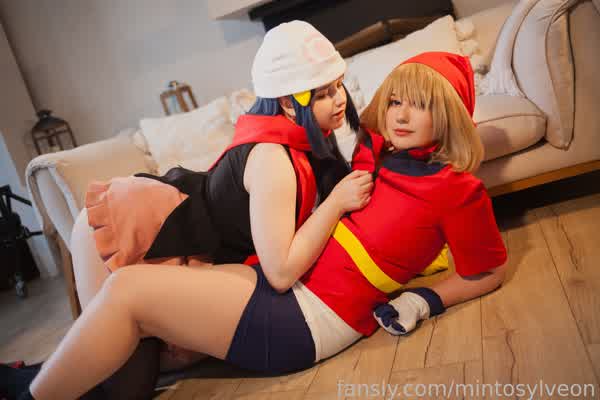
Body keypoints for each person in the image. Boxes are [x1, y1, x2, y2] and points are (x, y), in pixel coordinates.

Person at [19, 51, 508, 400]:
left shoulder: (458, 190)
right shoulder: (375, 150)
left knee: (126, 292)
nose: (401, 115)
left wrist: (422, 300)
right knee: (130, 310)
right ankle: (37, 380)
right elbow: (309, 122)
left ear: (448, 114)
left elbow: (487, 272)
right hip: (278, 281)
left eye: (421, 104)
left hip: (312, 317)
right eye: (396, 100)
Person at [1, 20, 372, 400]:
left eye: (339, 85)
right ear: (288, 103)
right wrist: (336, 203)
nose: (339, 100)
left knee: (119, 374)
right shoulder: (272, 158)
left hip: (176, 228)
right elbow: (279, 272)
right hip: (135, 226)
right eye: (323, 93)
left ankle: (15, 379)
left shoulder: (300, 140)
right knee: (118, 380)